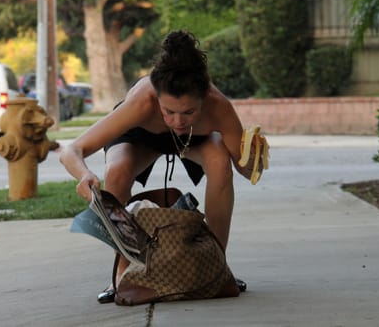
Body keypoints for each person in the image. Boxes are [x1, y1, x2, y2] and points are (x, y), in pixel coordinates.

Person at [60, 30, 255, 303]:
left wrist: (253, 159)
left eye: (189, 112)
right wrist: (84, 175)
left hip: (193, 141)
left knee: (221, 163)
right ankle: (122, 274)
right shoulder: (141, 101)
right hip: (140, 137)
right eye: (168, 111)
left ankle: (216, 269)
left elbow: (245, 169)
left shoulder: (218, 105)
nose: (177, 121)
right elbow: (72, 150)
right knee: (117, 171)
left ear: (204, 98)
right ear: (157, 98)